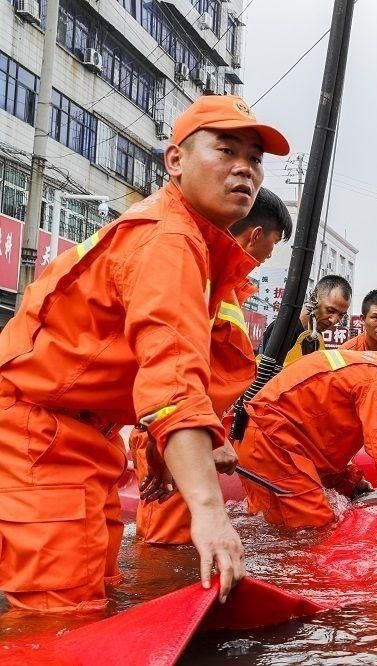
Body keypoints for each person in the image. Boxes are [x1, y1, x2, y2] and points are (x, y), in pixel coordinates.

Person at [0, 94, 289, 611]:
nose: (244, 169)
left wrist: (158, 448)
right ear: (175, 161)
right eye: (226, 151)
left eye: (255, 159)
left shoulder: (192, 245)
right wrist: (210, 513)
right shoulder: (169, 240)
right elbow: (172, 380)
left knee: (94, 591)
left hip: (84, 435)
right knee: (57, 610)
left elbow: (163, 367)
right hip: (39, 433)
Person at [129, 189, 293, 545]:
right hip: (178, 429)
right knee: (167, 540)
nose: (271, 254)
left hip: (189, 429)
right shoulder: (197, 274)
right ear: (256, 235)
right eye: (275, 243)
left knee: (182, 536)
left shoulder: (223, 285)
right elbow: (177, 368)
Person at [237, 333, 377, 530]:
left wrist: (349, 482)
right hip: (271, 447)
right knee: (316, 527)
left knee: (271, 526)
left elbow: (319, 436)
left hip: (256, 442)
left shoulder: (356, 364)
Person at [259, 274, 351, 365]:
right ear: (313, 299)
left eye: (341, 315)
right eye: (330, 310)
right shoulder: (285, 330)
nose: (334, 320)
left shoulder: (316, 339)